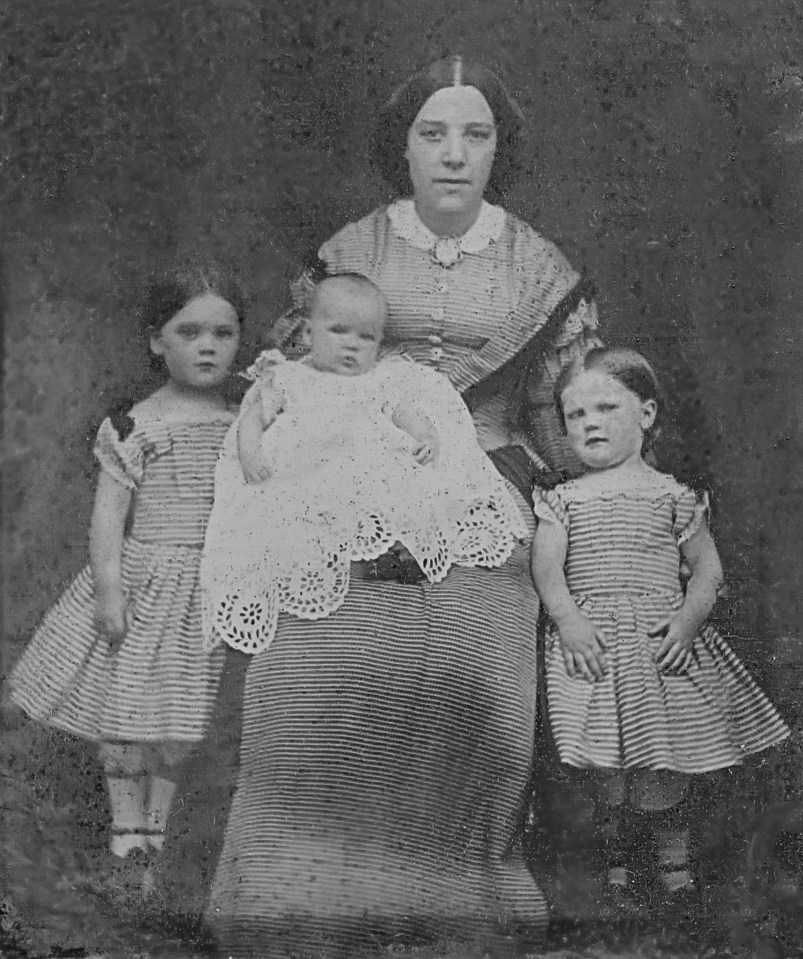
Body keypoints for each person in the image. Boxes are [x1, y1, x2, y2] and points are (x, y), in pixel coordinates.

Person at [207, 56, 599, 956]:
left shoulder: (537, 264)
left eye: (475, 134)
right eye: (433, 133)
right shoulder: (352, 249)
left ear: (501, 147)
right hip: (343, 465)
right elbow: (292, 370)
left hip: (488, 468)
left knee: (485, 603)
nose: (453, 155)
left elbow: (559, 399)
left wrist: (568, 487)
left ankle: (452, 894)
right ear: (404, 146)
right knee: (314, 635)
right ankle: (297, 890)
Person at [530, 346, 790, 908]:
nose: (590, 423)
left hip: (660, 644)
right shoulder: (562, 499)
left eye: (606, 408)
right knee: (606, 762)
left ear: (646, 414)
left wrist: (688, 623)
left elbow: (707, 570)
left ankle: (673, 868)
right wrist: (568, 620)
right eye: (576, 415)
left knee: (664, 759)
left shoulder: (675, 497)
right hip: (594, 644)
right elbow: (548, 570)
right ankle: (619, 866)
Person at [8, 265, 245, 875]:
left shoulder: (247, 420)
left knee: (181, 714)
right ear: (155, 341)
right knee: (128, 707)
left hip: (207, 586)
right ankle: (125, 821)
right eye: (189, 332)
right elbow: (108, 519)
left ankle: (156, 830)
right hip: (146, 585)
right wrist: (110, 591)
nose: (208, 346)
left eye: (223, 332)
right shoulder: (137, 423)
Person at [201, 272, 526, 654]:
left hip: (367, 468)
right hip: (309, 469)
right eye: (339, 331)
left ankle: (390, 559)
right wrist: (251, 451)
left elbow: (405, 412)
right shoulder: (288, 377)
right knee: (291, 514)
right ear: (307, 334)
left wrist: (427, 436)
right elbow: (253, 418)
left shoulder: (382, 379)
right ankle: (330, 571)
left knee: (402, 490)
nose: (352, 346)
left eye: (366, 337)